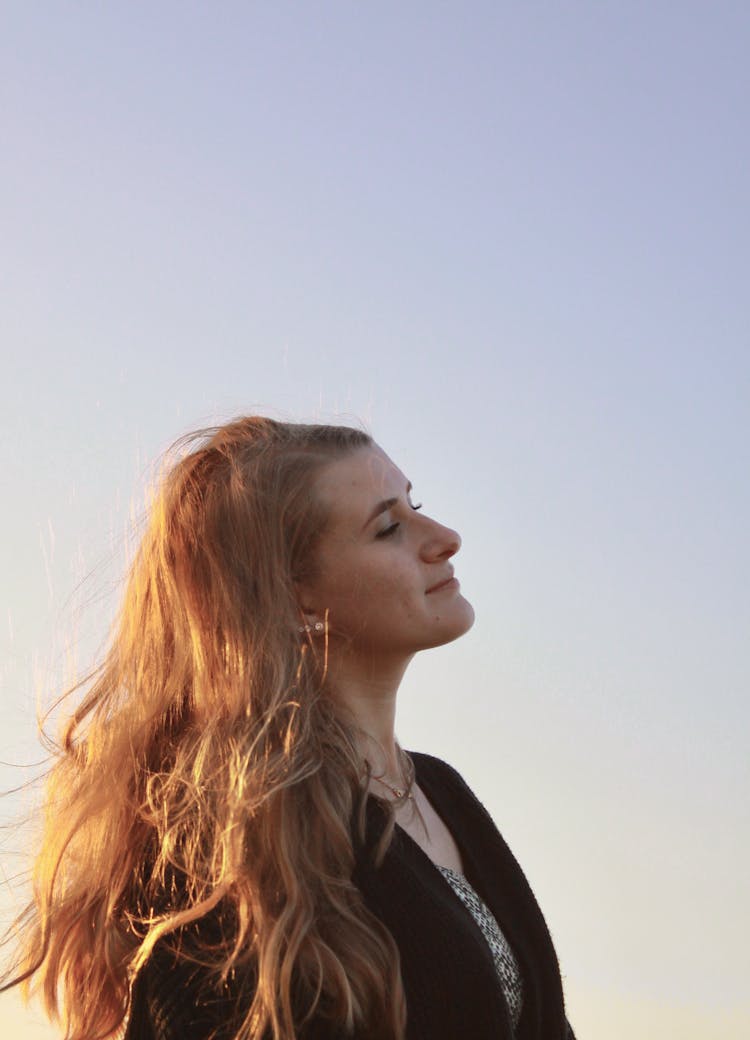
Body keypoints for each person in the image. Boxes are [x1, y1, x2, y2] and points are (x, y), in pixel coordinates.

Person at [2, 416, 575, 1039]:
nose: (445, 538)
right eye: (388, 529)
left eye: (415, 505)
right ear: (294, 599)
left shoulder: (442, 791)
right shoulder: (227, 840)